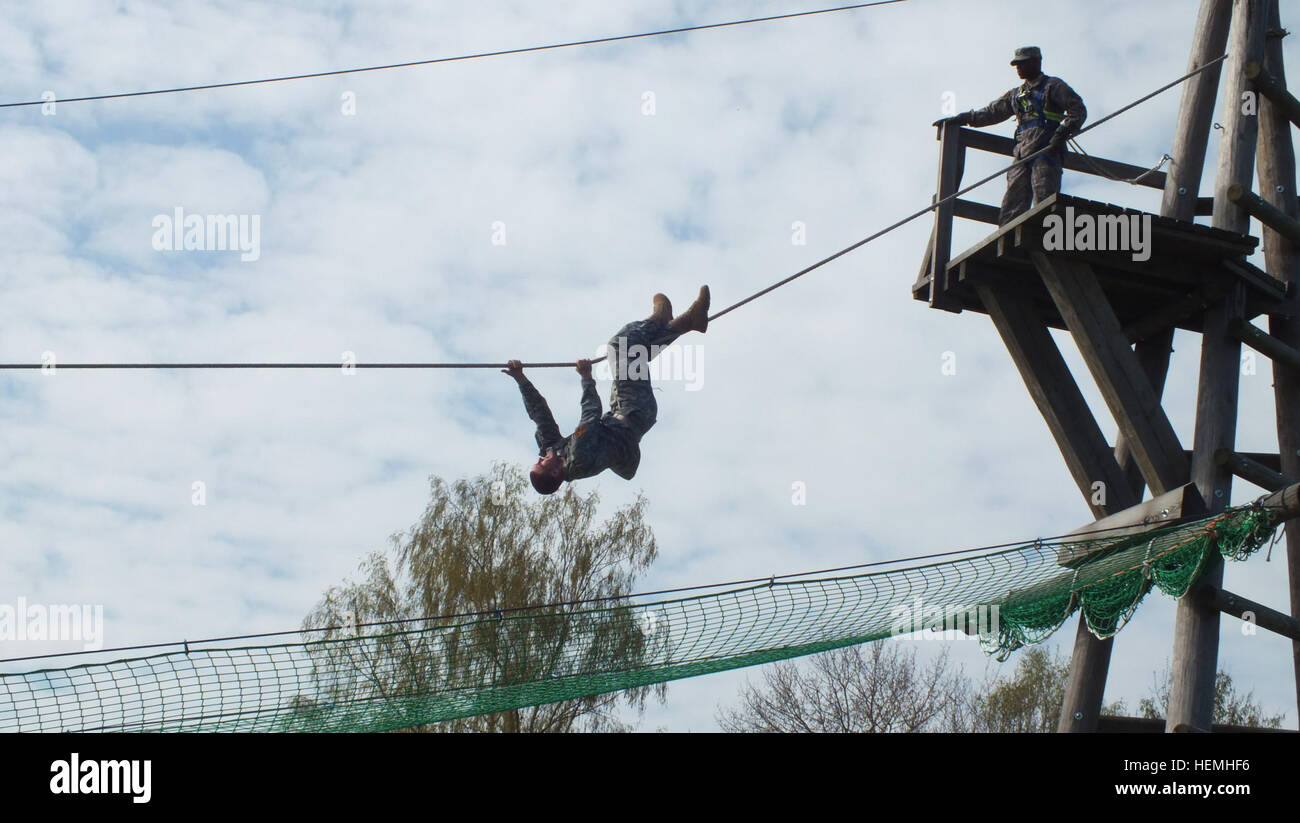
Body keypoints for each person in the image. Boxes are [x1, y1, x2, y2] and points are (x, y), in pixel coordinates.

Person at [503, 286, 710, 494]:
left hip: (623, 408)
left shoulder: (553, 451)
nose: (541, 458)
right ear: (556, 473)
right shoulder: (578, 456)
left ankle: (683, 321)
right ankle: (661, 320)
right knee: (620, 347)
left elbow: (541, 416)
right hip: (635, 409)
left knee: (633, 354)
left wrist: (521, 379)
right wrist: (586, 378)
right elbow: (590, 417)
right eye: (541, 463)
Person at [933, 46, 1087, 224]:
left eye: (1022, 63)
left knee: (1044, 196)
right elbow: (992, 112)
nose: (1018, 68)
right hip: (1022, 152)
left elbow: (1078, 111)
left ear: (1036, 62)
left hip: (1046, 149)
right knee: (1012, 200)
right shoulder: (1017, 94)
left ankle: (1043, 238)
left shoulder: (1053, 86)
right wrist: (963, 118)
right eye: (1016, 65)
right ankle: (1007, 238)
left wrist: (1063, 131)